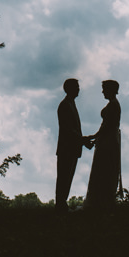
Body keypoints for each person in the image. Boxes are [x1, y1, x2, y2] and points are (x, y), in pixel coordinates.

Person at [83, 79, 121, 209]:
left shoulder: (113, 105)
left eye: (104, 89)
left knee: (103, 169)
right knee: (104, 169)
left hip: (108, 141)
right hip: (108, 139)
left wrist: (93, 136)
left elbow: (106, 126)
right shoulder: (113, 104)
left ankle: (99, 201)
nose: (102, 91)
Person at [55, 78, 91, 211]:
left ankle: (62, 203)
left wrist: (82, 140)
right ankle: (60, 204)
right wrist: (83, 140)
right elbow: (69, 130)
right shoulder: (65, 105)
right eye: (76, 87)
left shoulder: (70, 104)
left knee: (67, 177)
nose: (79, 89)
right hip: (66, 148)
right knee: (64, 177)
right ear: (69, 88)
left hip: (71, 148)